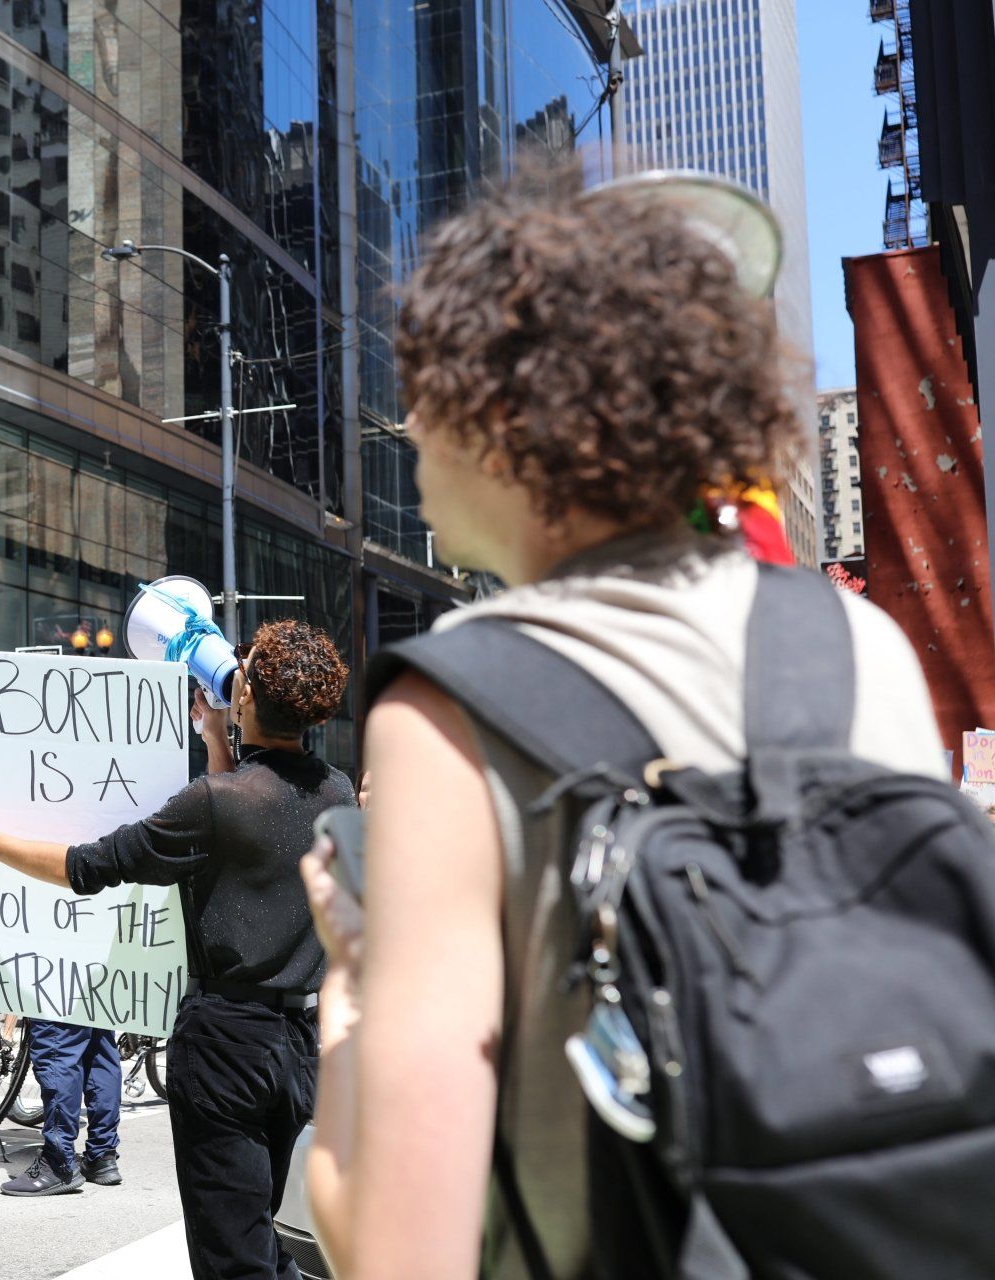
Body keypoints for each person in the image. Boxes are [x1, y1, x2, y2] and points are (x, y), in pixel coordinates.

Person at [296, 171, 946, 1280]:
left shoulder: (449, 709)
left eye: (427, 386)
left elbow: (399, 1251)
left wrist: (353, 978)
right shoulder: (859, 643)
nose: (406, 425)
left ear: (511, 415)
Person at [0, 619, 354, 1260]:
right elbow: (251, 835)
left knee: (231, 1251)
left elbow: (91, 865)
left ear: (246, 695)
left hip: (225, 1043)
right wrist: (219, 740)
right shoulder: (336, 790)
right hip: (299, 1046)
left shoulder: (215, 800)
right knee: (262, 1226)